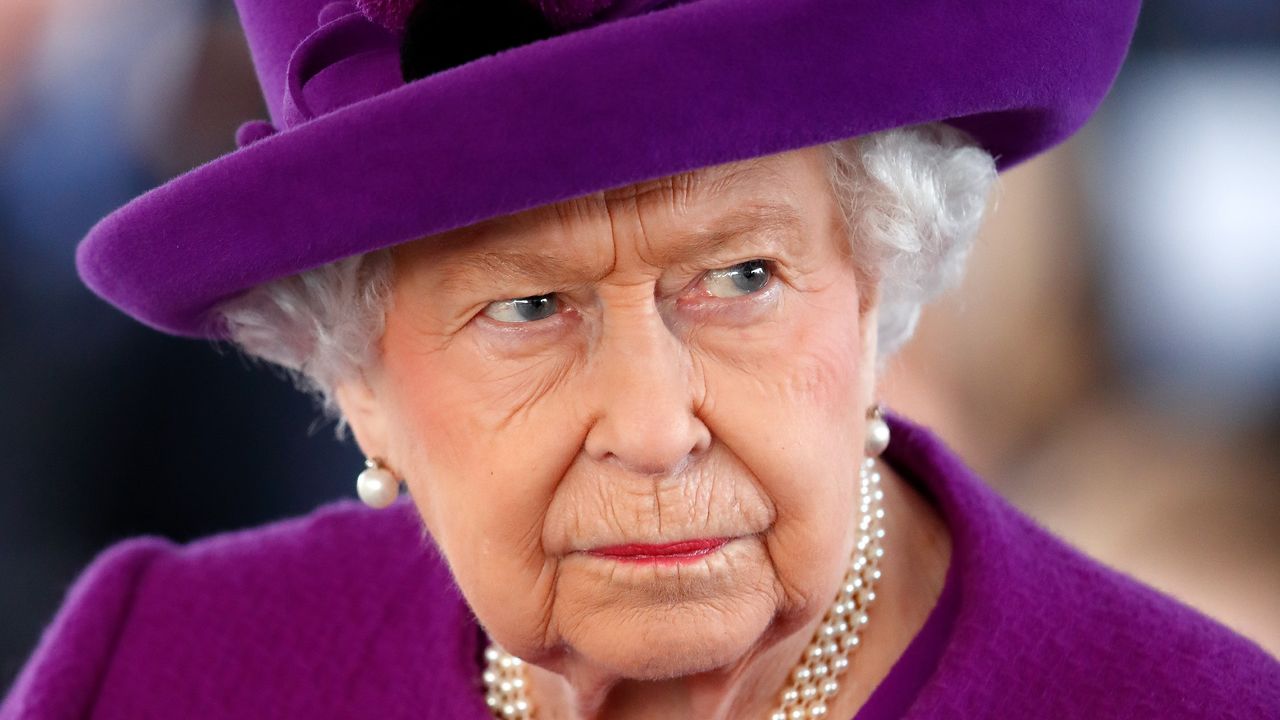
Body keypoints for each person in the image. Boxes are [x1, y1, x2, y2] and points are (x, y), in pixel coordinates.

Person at [3, 0, 1278, 718]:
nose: (653, 424)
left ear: (875, 291)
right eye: (528, 306)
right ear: (357, 384)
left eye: (739, 279)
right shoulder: (159, 671)